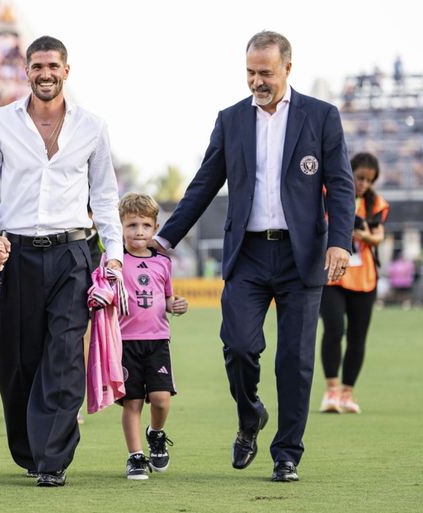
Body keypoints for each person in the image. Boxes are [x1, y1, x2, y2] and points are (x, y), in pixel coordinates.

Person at [154, 31, 355, 482]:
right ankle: (250, 416)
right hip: (246, 255)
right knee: (240, 347)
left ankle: (287, 454)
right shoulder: (230, 121)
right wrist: (164, 240)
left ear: (288, 67)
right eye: (250, 72)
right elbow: (204, 184)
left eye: (265, 72)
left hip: (302, 256)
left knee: (295, 361)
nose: (257, 81)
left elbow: (341, 184)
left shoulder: (321, 117)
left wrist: (340, 241)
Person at [0, 35, 123, 487]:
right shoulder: (0, 123)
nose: (45, 74)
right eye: (37, 66)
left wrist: (113, 258)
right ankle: (31, 449)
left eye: (53, 66)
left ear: (66, 70)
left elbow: (107, 197)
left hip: (74, 252)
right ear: (27, 71)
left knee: (64, 357)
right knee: (14, 357)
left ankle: (53, 457)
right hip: (14, 254)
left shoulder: (92, 127)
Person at [116, 193, 187, 480]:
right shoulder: (114, 261)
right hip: (124, 341)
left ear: (155, 228)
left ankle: (155, 434)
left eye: (145, 225)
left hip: (157, 340)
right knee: (132, 402)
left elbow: (167, 298)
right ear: (120, 226)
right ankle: (135, 457)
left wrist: (176, 304)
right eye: (132, 225)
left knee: (160, 399)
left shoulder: (162, 263)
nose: (139, 232)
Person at [319, 152, 389, 414]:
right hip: (333, 276)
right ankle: (331, 391)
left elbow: (379, 236)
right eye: (360, 178)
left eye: (369, 180)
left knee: (358, 336)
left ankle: (348, 393)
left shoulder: (376, 204)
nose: (364, 184)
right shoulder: (331, 194)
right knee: (334, 329)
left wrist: (361, 234)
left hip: (365, 278)